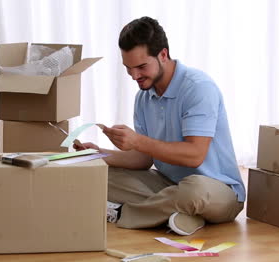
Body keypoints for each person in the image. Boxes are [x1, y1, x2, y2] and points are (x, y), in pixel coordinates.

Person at [74, 16, 245, 236]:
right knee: (99, 175)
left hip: (217, 190)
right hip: (169, 184)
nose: (134, 76)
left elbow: (195, 155)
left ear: (163, 55)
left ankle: (122, 214)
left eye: (141, 66)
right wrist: (98, 154)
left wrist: (137, 140)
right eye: (128, 68)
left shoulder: (198, 88)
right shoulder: (144, 97)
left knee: (194, 190)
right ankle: (180, 216)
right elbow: (143, 159)